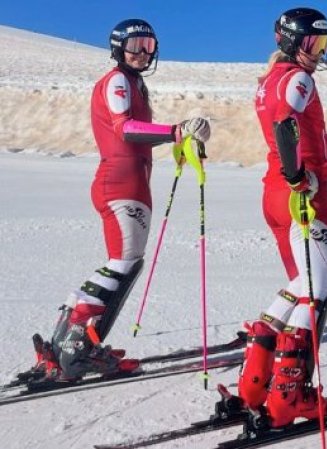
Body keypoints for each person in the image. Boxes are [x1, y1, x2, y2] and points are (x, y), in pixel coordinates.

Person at [26, 19, 211, 381]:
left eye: (149, 45)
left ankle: (68, 344)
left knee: (122, 265)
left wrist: (175, 142)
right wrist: (175, 131)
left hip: (132, 183)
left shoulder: (134, 83)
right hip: (120, 183)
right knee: (122, 265)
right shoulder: (117, 81)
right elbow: (124, 128)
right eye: (135, 45)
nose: (143, 53)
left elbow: (139, 134)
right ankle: (77, 350)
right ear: (117, 48)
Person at [235, 7, 327, 430]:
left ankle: (256, 383)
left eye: (324, 44)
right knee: (318, 286)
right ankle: (288, 395)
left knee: (301, 284)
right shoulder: (298, 78)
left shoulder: (270, 80)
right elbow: (285, 126)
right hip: (305, 195)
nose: (318, 52)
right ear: (293, 42)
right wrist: (300, 178)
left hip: (275, 193)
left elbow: (298, 135)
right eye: (312, 43)